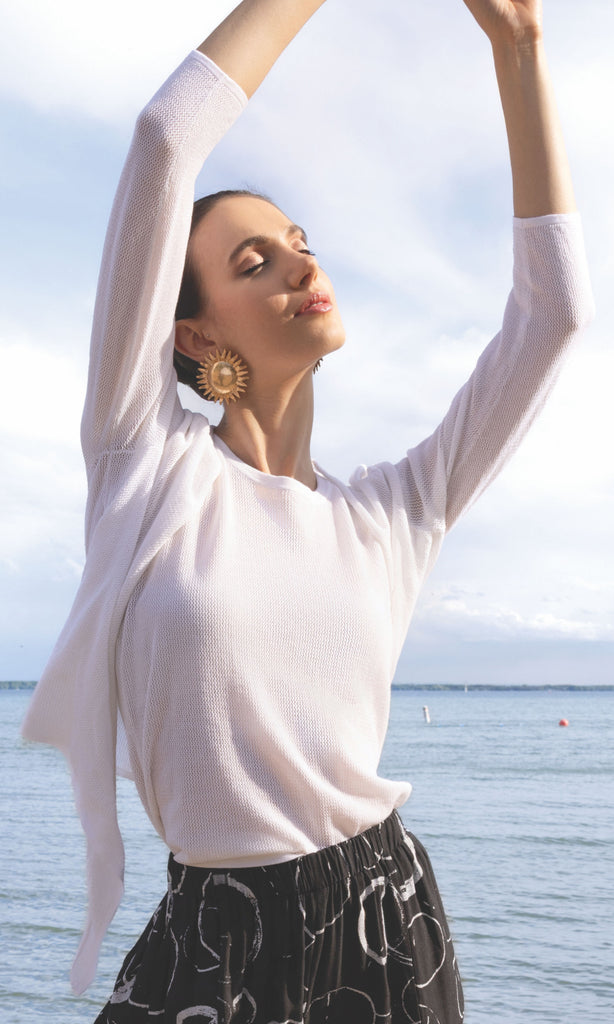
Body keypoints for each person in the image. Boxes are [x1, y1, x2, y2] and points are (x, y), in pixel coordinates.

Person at [22, 0, 593, 1021]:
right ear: (196, 337)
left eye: (299, 242)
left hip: (383, 925)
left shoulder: (394, 511)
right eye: (254, 262)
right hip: (210, 929)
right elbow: (164, 138)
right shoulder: (144, 466)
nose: (300, 263)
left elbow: (552, 316)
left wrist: (520, 47)